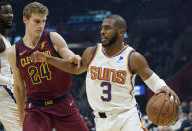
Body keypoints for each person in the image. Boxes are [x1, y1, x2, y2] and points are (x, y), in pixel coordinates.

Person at [32, 14, 180, 131]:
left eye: (107, 28)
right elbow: (74, 68)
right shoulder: (91, 52)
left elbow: (151, 79)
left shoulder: (133, 57)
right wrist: (47, 59)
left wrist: (163, 87)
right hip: (101, 120)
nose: (102, 31)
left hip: (127, 117)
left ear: (121, 32)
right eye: (102, 27)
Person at [7, 2, 88, 131]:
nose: (41, 26)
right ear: (25, 20)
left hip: (62, 103)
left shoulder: (53, 38)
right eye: (37, 21)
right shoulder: (13, 52)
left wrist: (74, 57)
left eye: (44, 21)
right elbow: (18, 87)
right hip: (36, 108)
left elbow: (68, 54)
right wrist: (22, 116)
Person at [0, 2, 22, 131]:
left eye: (11, 12)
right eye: (5, 13)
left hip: (7, 90)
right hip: (2, 90)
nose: (10, 15)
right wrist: (11, 81)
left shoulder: (4, 38)